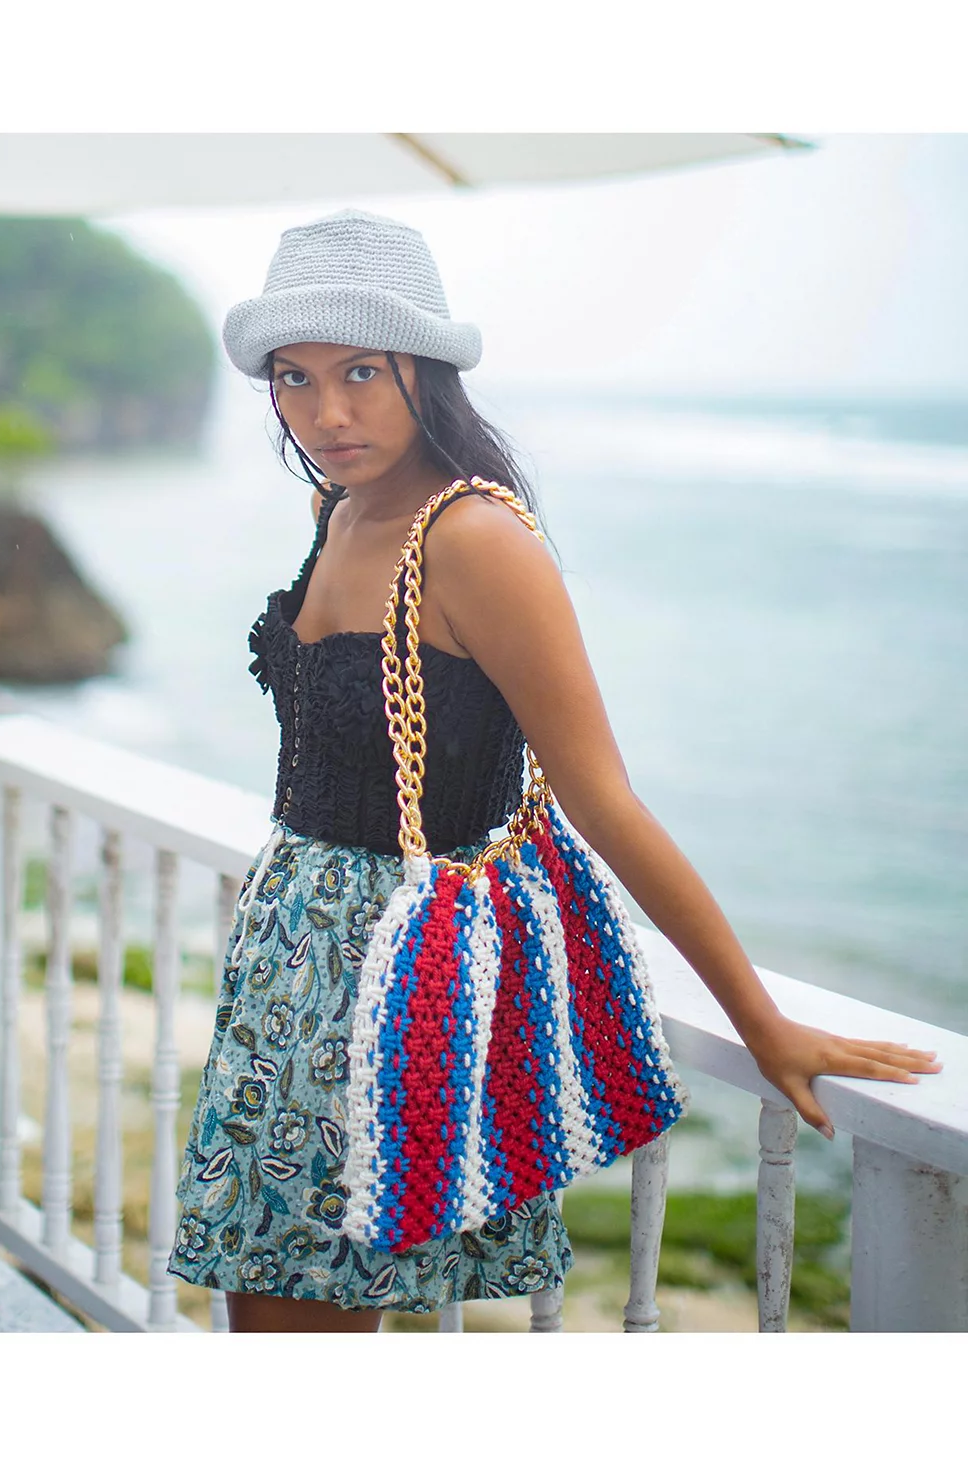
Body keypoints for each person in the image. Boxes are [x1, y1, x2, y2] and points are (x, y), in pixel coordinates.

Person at [167, 208, 941, 1334]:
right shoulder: (339, 509)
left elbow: (602, 797)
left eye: (361, 373)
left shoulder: (474, 539)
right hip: (290, 969)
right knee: (268, 1318)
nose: (326, 413)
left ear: (425, 372)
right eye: (295, 378)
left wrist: (761, 1020)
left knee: (300, 1331)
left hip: (394, 988)